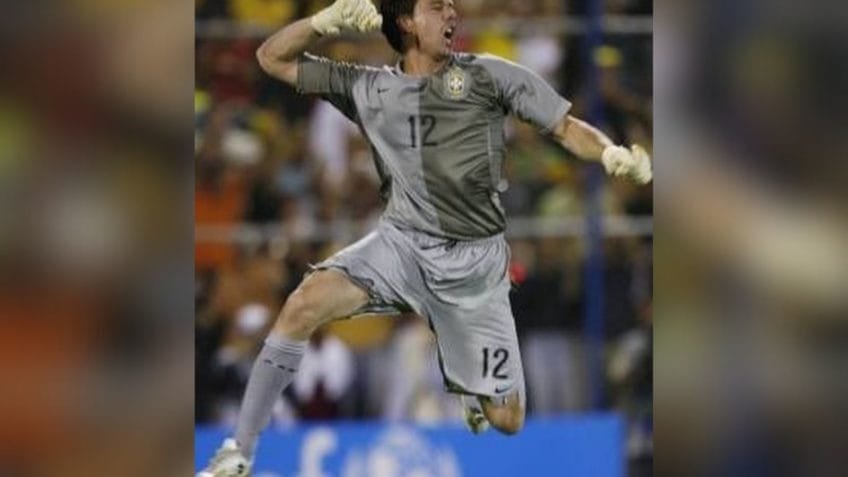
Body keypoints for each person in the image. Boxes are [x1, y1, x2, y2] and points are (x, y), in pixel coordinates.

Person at [197, 0, 651, 474]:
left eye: (452, 5)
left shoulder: (489, 75)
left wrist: (610, 154)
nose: (451, 14)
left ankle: (465, 379)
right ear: (407, 22)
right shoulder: (367, 87)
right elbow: (271, 58)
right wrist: (323, 21)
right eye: (437, 6)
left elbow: (566, 127)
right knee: (302, 304)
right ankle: (239, 450)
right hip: (401, 247)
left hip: (474, 267)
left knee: (507, 418)